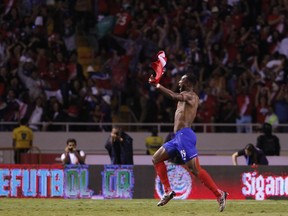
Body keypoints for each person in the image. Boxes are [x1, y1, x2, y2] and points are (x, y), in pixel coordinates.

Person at [148, 72, 228, 212]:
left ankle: (219, 194)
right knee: (156, 159)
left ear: (189, 83)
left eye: (182, 80)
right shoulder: (184, 97)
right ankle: (168, 191)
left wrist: (158, 85)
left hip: (185, 135)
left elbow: (172, 96)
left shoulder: (191, 95)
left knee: (195, 170)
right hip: (177, 137)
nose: (179, 82)